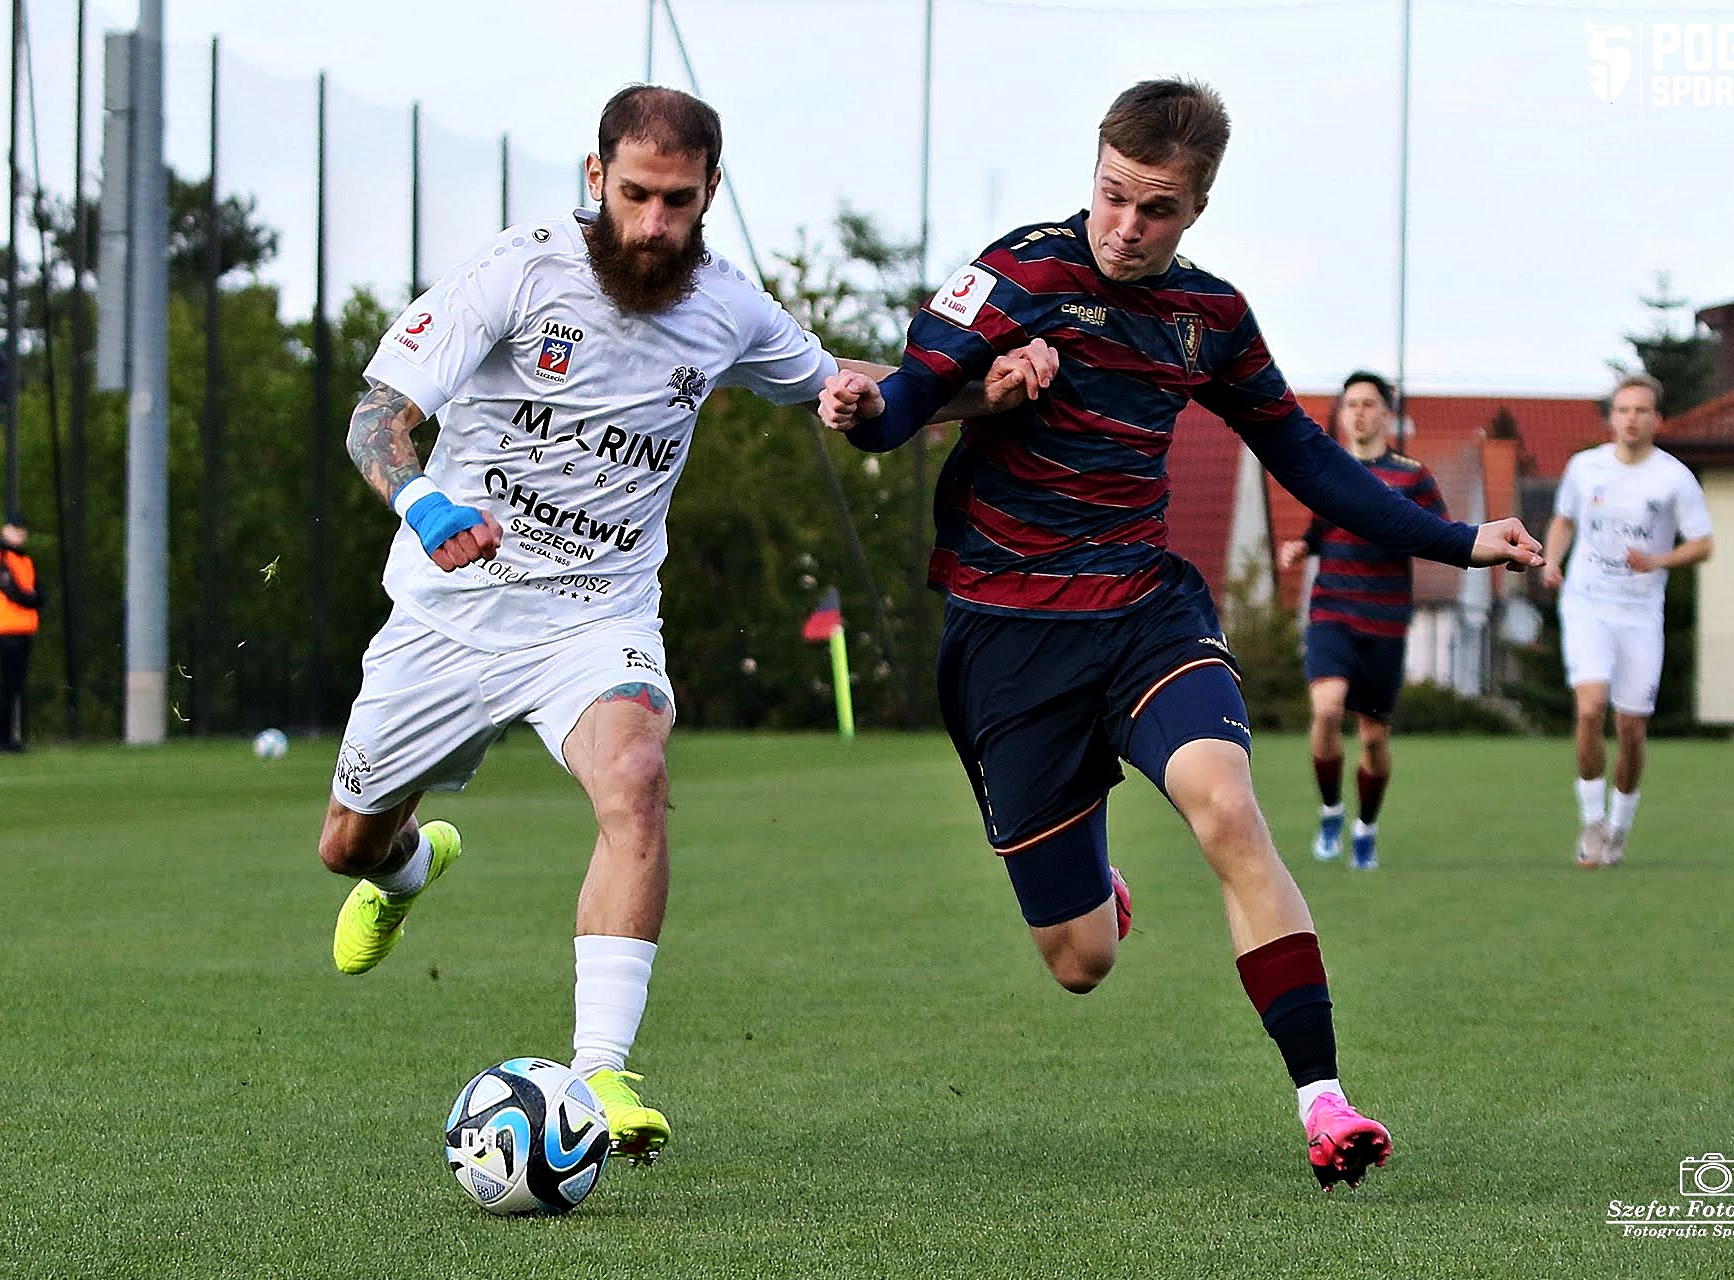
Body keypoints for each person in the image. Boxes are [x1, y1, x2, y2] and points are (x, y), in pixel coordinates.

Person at [818, 77, 1542, 1190]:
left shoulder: (1210, 318)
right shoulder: (1016, 274)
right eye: (1113, 195)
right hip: (1010, 637)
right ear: (1095, 171)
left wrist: (1458, 539)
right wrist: (870, 407)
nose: (1125, 225)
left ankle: (1324, 1100)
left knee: (1227, 805)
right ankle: (1096, 890)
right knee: (1081, 961)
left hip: (1143, 612)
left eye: (1155, 209)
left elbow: (1306, 458)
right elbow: (908, 399)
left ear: (1197, 207)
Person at [317, 84, 1053, 1165]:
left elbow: (853, 389)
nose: (655, 223)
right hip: (452, 612)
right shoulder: (514, 273)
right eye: (636, 195)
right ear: (595, 178)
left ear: (712, 191)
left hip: (597, 615)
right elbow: (377, 418)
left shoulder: (729, 307)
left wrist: (988, 391)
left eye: (678, 200)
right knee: (347, 846)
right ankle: (408, 867)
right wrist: (425, 504)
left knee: (638, 776)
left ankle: (599, 1072)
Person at [1277, 372, 1448, 870]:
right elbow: (1319, 528)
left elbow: (1439, 533)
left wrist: (1410, 535)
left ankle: (1365, 829)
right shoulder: (1327, 468)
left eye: (1369, 404)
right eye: (1351, 404)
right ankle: (1331, 811)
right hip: (1332, 611)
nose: (1359, 413)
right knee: (1327, 710)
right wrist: (1302, 546)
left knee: (1373, 739)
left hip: (1386, 622)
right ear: (1341, 413)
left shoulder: (1412, 476)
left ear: (1386, 415)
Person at [1541, 372, 1713, 868]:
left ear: (1657, 419)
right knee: (1590, 708)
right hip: (1587, 603)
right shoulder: (1585, 467)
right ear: (1611, 418)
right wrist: (1552, 561)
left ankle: (1619, 827)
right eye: (1622, 410)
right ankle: (1592, 823)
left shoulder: (1673, 477)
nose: (1631, 419)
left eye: (1640, 411)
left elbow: (1702, 543)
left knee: (1632, 728)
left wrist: (1657, 560)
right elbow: (1564, 519)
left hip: (1640, 612)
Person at [0, 516, 43, 754]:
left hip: (24, 627)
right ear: (5, 531)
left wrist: (32, 597)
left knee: (15, 685)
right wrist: (31, 597)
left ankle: (9, 738)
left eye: (22, 530)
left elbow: (39, 591)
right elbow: (15, 592)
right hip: (6, 629)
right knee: (7, 685)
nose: (20, 534)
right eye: (16, 529)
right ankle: (0, 740)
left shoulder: (24, 559)